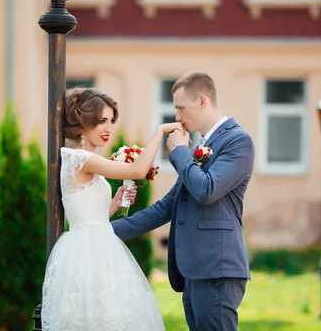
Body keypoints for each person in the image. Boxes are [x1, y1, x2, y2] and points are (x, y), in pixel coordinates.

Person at [112, 71, 255, 331]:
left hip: (216, 270)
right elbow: (167, 207)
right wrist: (106, 231)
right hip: (193, 272)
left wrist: (178, 151)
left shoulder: (238, 141)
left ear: (202, 101)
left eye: (180, 107)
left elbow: (206, 190)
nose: (177, 117)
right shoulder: (202, 146)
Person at [41, 87, 184, 331]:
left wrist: (114, 204)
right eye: (101, 121)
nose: (108, 128)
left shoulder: (80, 159)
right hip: (89, 254)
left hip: (96, 243)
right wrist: (160, 131)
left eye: (111, 121)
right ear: (83, 123)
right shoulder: (80, 158)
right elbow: (138, 171)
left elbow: (87, 216)